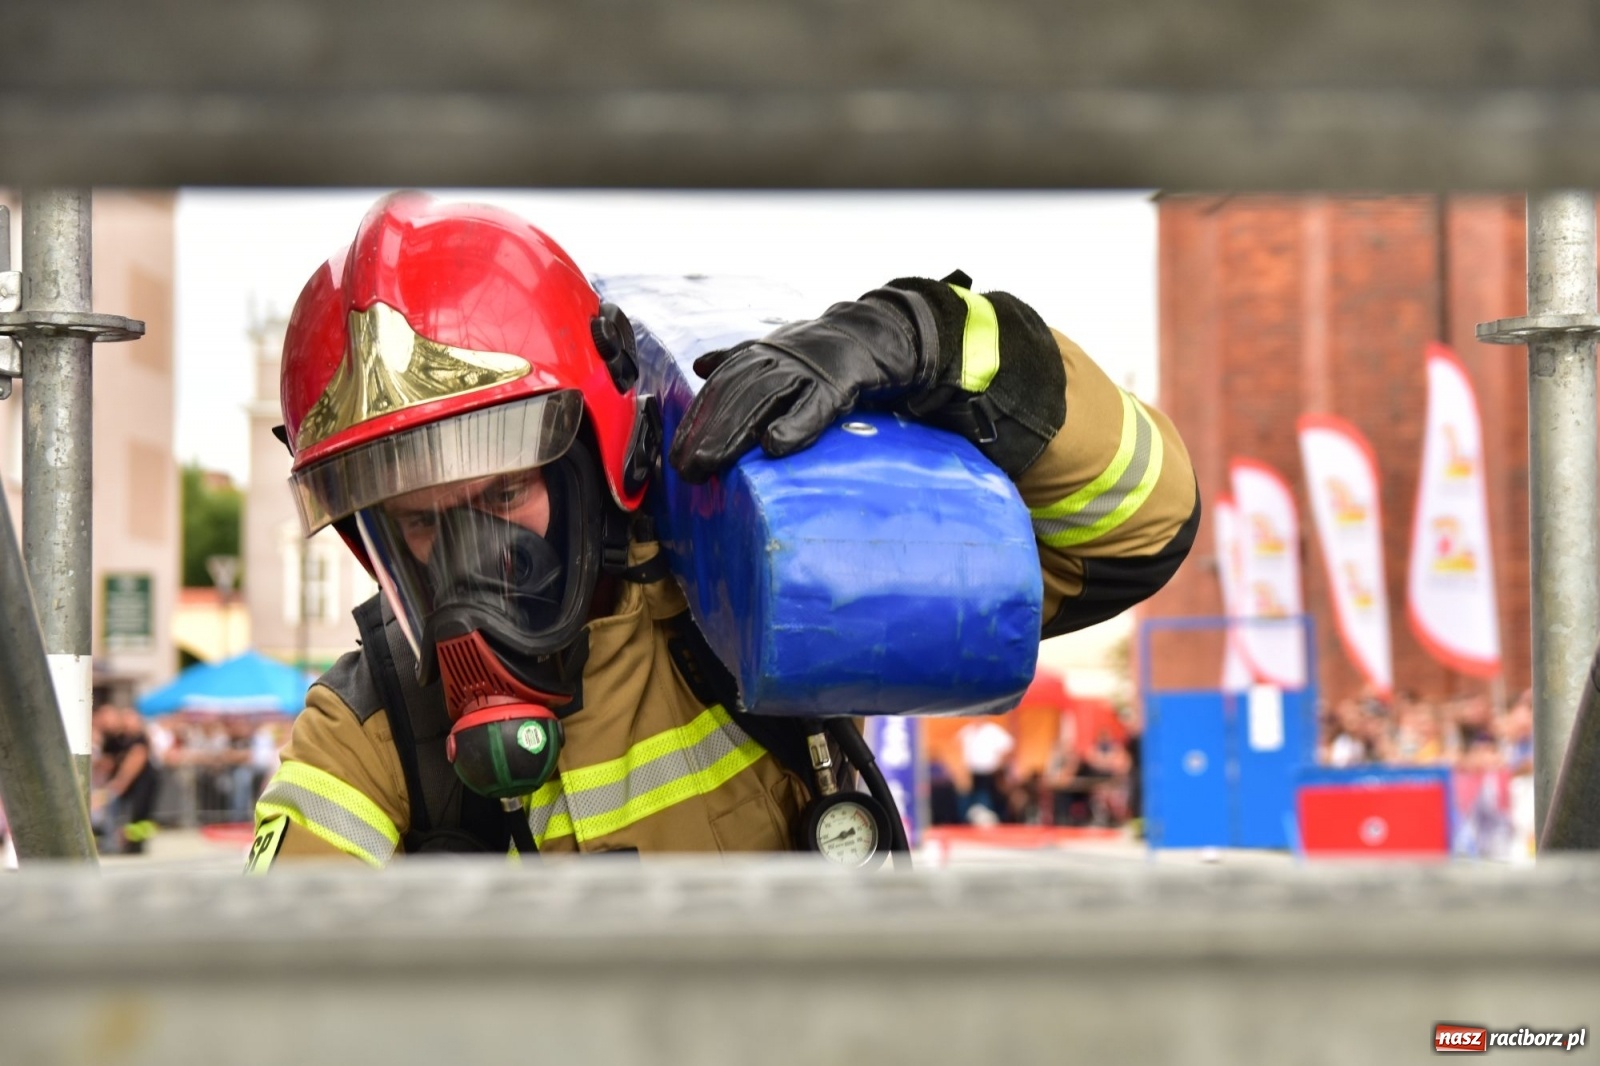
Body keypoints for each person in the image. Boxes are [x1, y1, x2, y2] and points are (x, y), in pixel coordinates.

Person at [248, 192, 1199, 868]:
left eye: (501, 497)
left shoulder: (756, 582)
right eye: (419, 521)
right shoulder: (376, 728)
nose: (468, 560)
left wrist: (947, 348)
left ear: (589, 452)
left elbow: (1136, 528)